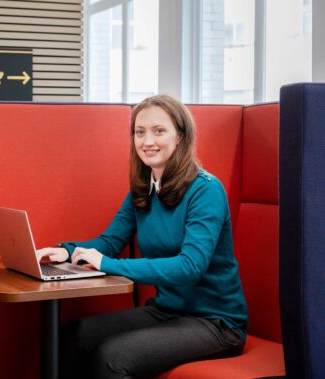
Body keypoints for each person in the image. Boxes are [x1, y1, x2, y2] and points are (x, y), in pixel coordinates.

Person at [36, 95, 248, 378]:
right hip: (166, 310)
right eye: (140, 132)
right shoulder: (143, 188)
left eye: (159, 131)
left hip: (216, 323)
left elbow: (189, 268)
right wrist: (67, 251)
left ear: (180, 136)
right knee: (76, 336)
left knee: (113, 357)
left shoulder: (206, 190)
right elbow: (110, 243)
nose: (147, 141)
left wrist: (106, 264)